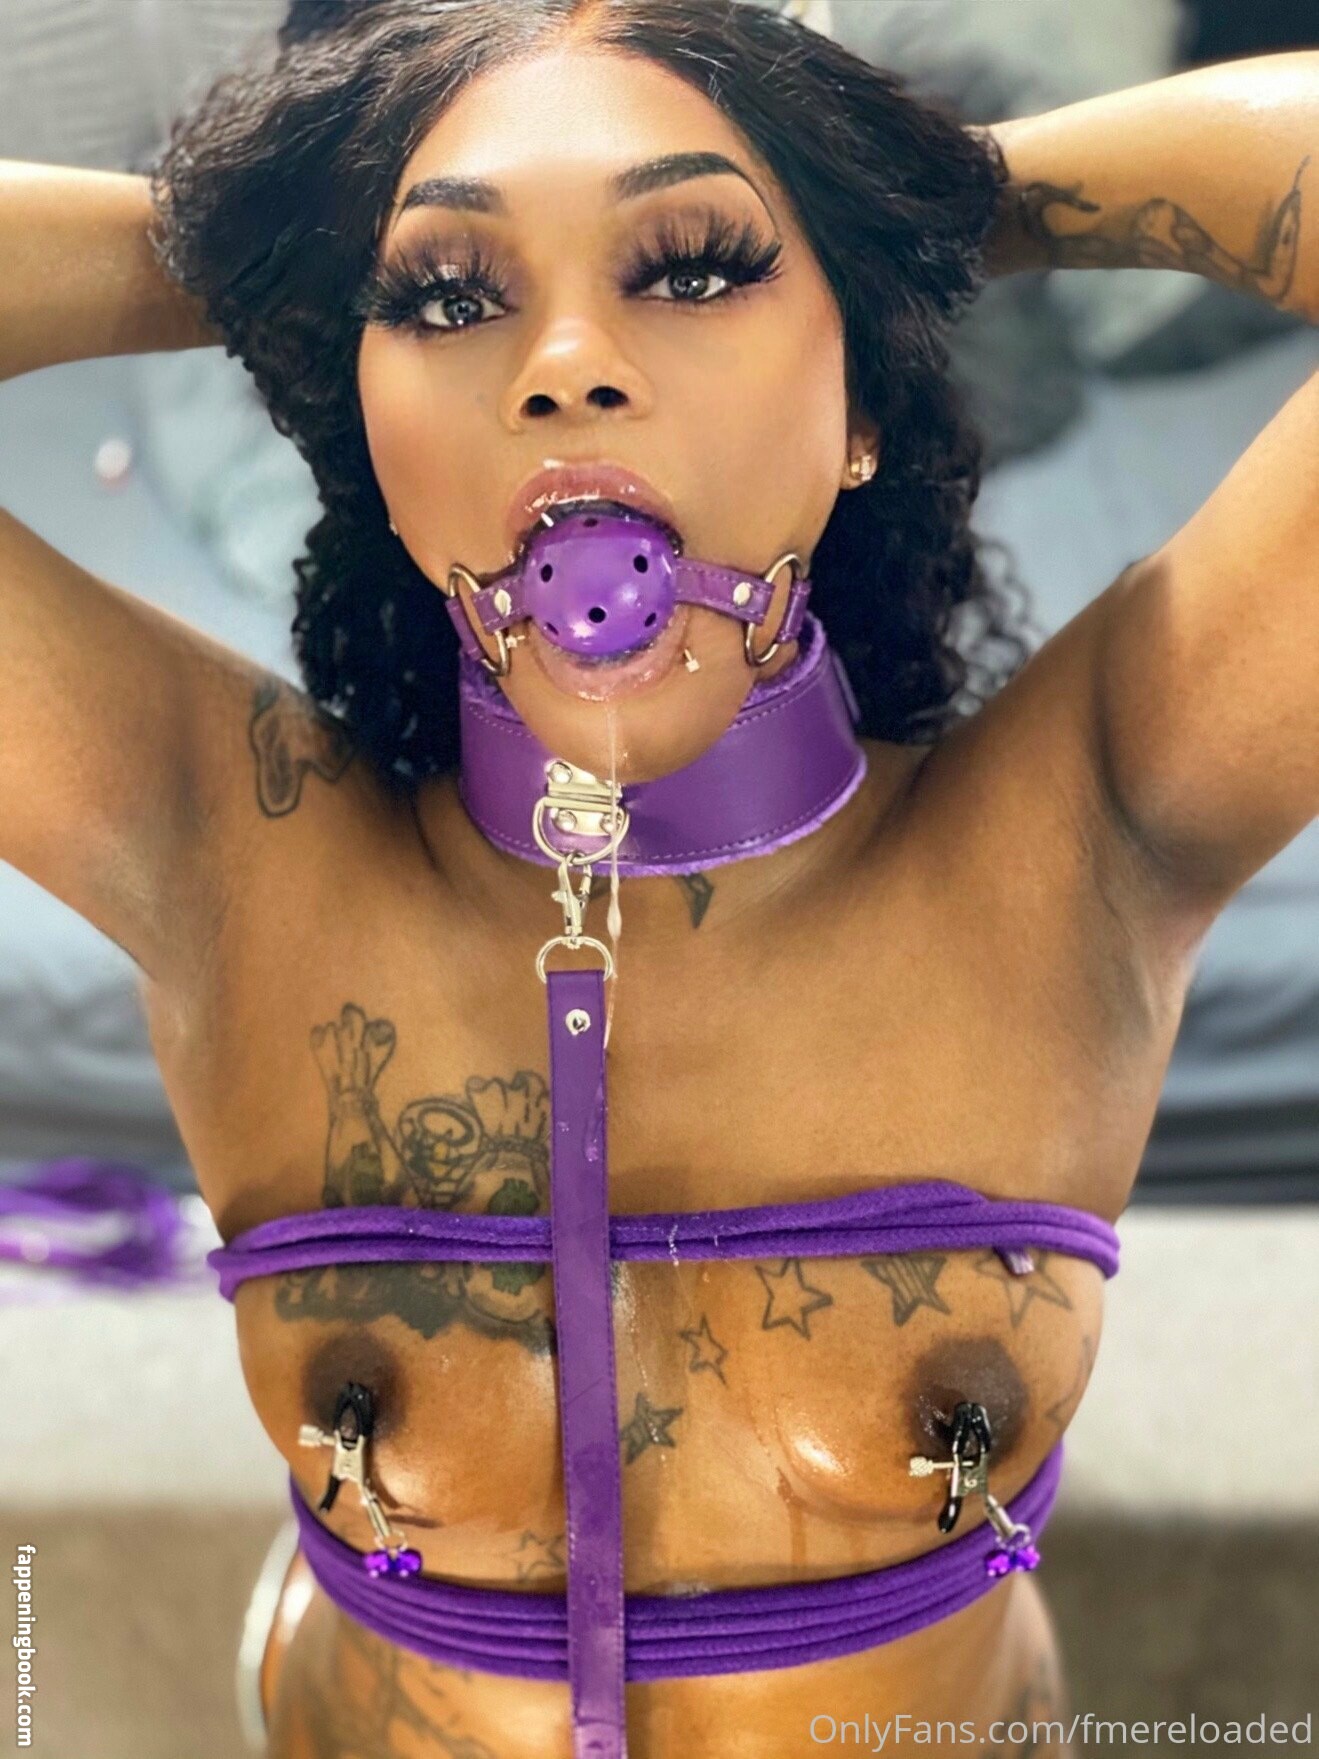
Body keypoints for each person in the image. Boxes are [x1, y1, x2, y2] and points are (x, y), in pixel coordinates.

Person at [1, 3, 1314, 1755]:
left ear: (860, 401)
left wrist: (934, 202)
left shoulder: (1090, 824)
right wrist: (268, 249)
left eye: (695, 266)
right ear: (370, 433)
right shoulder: (228, 852)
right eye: (446, 295)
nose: (564, 364)